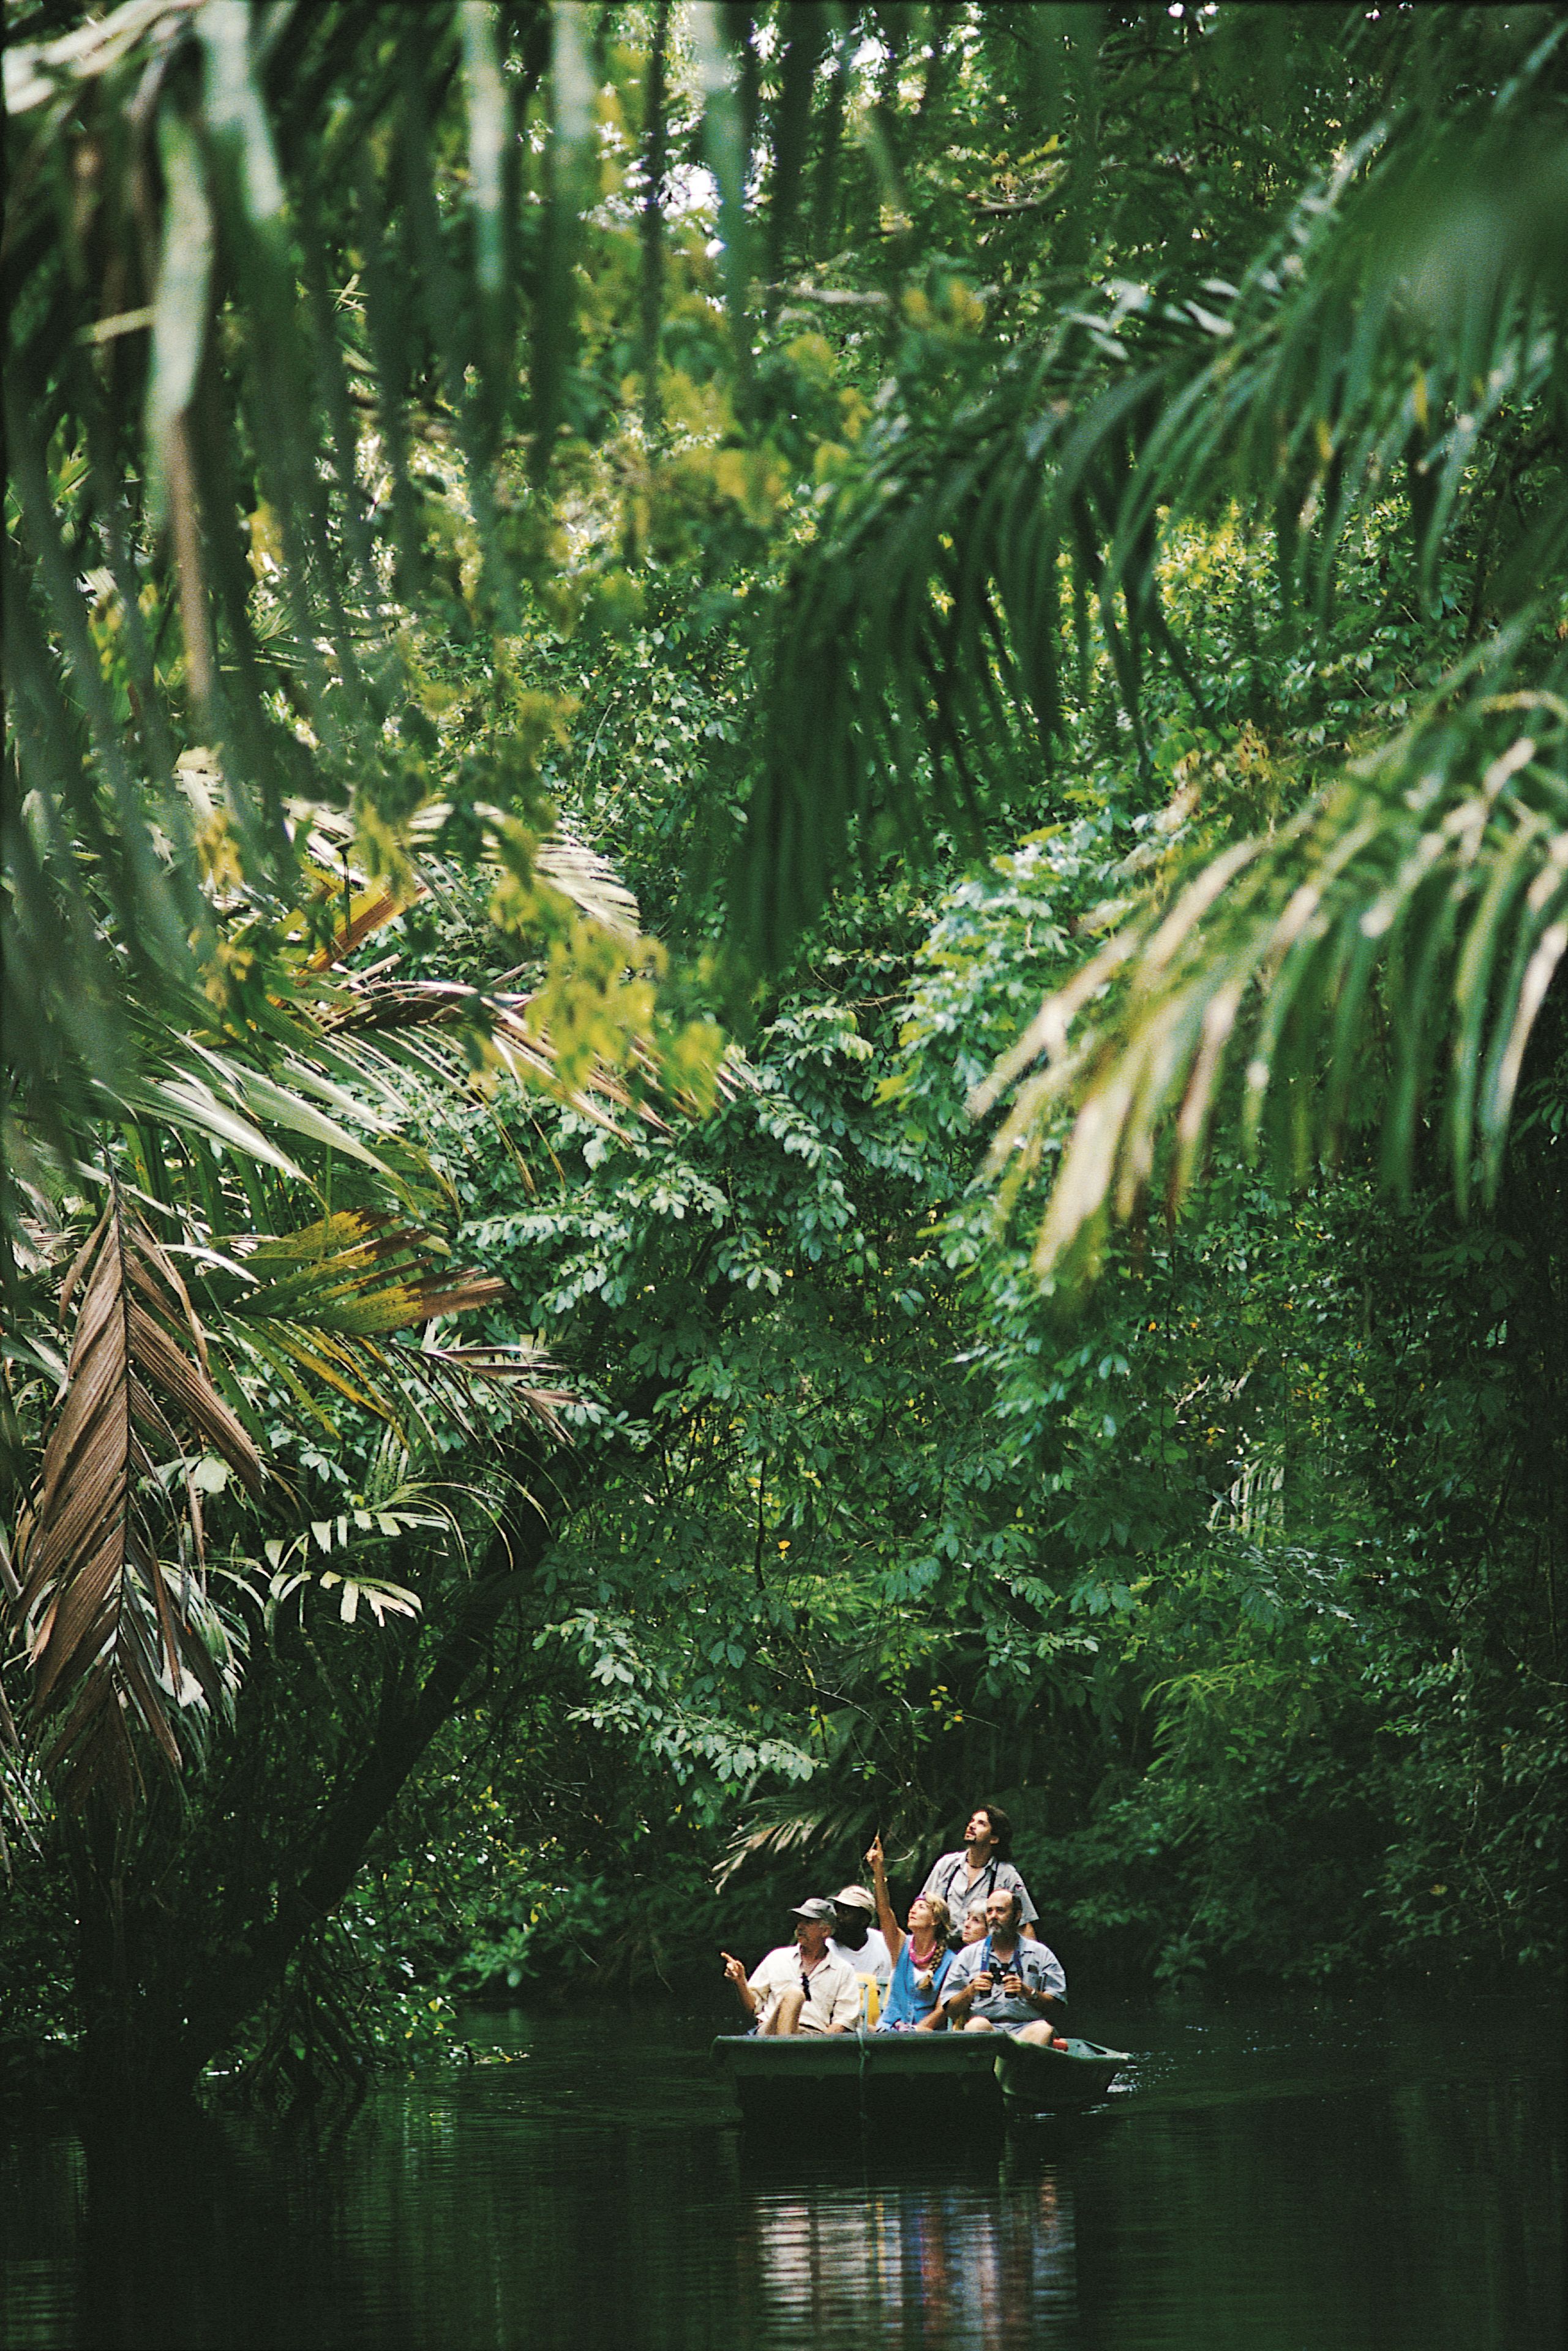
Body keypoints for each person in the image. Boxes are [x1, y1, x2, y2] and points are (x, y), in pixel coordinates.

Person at [934, 1888, 1065, 2044]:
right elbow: (950, 2010)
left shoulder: (1040, 1953)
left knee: (1043, 2029)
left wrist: (1029, 1993)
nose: (994, 1916)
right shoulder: (968, 1955)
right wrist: (971, 1990)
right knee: (976, 2026)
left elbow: (1058, 2007)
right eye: (989, 1911)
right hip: (986, 2026)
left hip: (1028, 2027)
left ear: (1017, 1916)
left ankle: (1015, 2067)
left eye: (1001, 1911)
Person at [721, 1899, 863, 2036]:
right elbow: (752, 2008)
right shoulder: (777, 1957)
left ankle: (789, 2052)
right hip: (770, 2033)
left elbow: (844, 2019)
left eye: (808, 1923)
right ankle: (788, 2052)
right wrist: (740, 1981)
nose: (800, 1927)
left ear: (825, 1931)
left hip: (813, 2036)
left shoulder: (843, 1970)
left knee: (796, 1997)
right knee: (794, 1995)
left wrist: (820, 2046)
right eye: (799, 1921)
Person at [863, 1834, 955, 2031]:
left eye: (921, 1907)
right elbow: (884, 1911)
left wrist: (914, 2034)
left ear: (935, 1920)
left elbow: (942, 2010)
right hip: (888, 2029)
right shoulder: (901, 1945)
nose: (913, 1910)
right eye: (913, 1906)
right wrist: (879, 1871)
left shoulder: (950, 1961)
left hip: (923, 2036)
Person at [919, 1803, 1040, 1941]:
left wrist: (1033, 1959)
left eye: (981, 1824)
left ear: (994, 1839)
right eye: (972, 1821)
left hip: (982, 1953)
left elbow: (1023, 1925)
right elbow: (924, 1908)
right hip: (942, 1951)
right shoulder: (946, 1865)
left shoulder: (1007, 1876)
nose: (971, 1826)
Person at [827, 1882, 893, 1981]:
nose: (837, 1917)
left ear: (864, 1920)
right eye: (837, 1910)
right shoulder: (823, 1948)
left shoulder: (886, 1944)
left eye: (845, 1912)